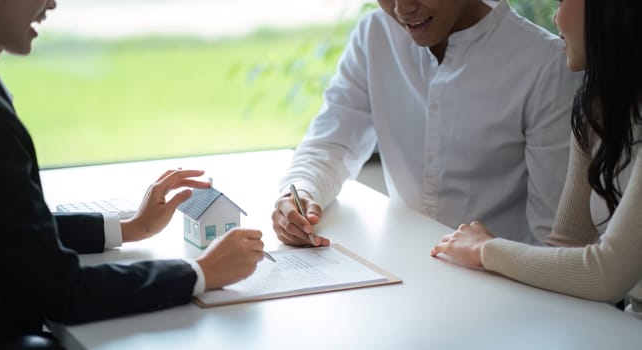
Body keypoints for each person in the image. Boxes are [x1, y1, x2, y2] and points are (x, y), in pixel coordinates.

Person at [0, 0, 266, 348]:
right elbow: (65, 292)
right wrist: (200, 272)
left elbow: (10, 227)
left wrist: (129, 227)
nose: (51, 3)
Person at [272, 0, 581, 247]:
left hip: (509, 289)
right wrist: (300, 194)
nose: (402, 8)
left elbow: (556, 238)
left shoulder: (546, 64)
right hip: (406, 275)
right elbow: (332, 142)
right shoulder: (376, 35)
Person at [430, 0, 642, 317]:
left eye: (561, 1)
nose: (555, 18)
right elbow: (567, 244)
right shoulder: (597, 106)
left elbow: (606, 274)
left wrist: (484, 249)